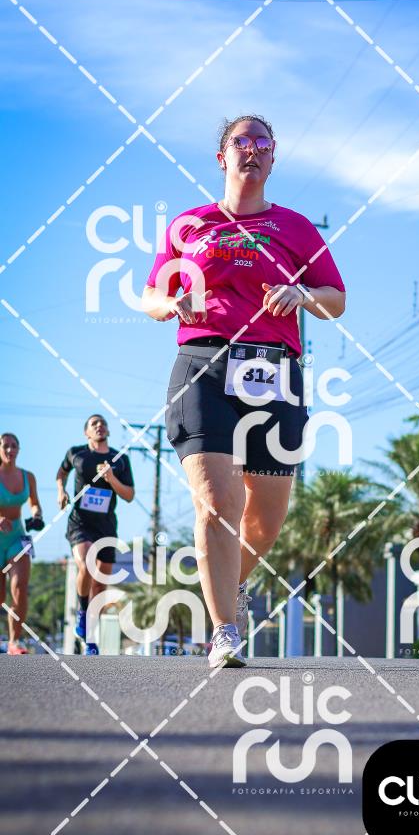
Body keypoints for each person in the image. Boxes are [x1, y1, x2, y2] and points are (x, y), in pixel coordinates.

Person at [142, 114, 346, 668]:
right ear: (222, 157)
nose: (252, 150)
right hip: (203, 365)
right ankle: (224, 631)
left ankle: (230, 585)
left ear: (272, 159)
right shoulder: (189, 225)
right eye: (241, 142)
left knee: (265, 519)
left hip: (274, 371)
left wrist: (302, 295)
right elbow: (149, 295)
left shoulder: (296, 228)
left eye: (262, 144)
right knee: (218, 502)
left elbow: (336, 300)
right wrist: (171, 303)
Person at [56, 415, 135, 655]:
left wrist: (111, 478)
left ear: (108, 431)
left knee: (100, 585)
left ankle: (89, 637)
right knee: (86, 563)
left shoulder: (120, 459)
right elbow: (61, 473)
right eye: (94, 424)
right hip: (80, 523)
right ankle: (82, 612)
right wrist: (61, 491)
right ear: (86, 433)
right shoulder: (76, 453)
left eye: (102, 423)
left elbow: (129, 495)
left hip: (106, 526)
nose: (99, 426)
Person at [0, 433, 44, 654]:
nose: (10, 450)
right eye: (5, 446)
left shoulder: (28, 476)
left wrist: (36, 514)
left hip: (18, 537)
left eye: (14, 446)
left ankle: (14, 642)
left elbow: (34, 502)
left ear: (19, 449)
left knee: (20, 587)